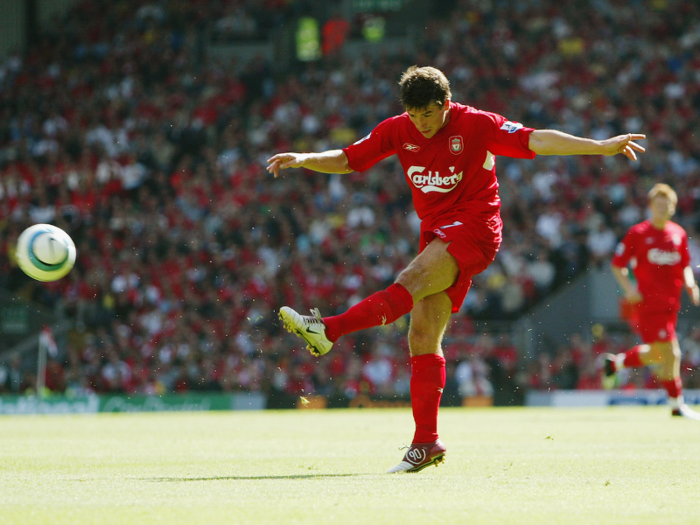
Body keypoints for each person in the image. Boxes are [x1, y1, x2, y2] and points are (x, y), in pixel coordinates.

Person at [267, 65, 645, 473]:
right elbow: (348, 159)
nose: (421, 124)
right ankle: (426, 442)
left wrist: (601, 146)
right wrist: (306, 158)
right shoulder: (399, 129)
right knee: (422, 335)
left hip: (475, 228)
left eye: (427, 115)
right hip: (436, 234)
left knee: (408, 281)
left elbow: (537, 139)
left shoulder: (477, 124)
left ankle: (329, 330)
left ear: (445, 104)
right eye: (413, 116)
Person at [604, 183, 700, 419]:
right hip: (648, 304)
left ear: (673, 207)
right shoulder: (638, 233)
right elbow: (617, 265)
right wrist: (629, 289)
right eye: (657, 204)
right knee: (673, 354)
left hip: (670, 304)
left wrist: (691, 284)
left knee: (659, 355)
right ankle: (676, 405)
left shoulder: (678, 234)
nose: (662, 208)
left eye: (666, 204)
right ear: (650, 207)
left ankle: (616, 363)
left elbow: (685, 265)